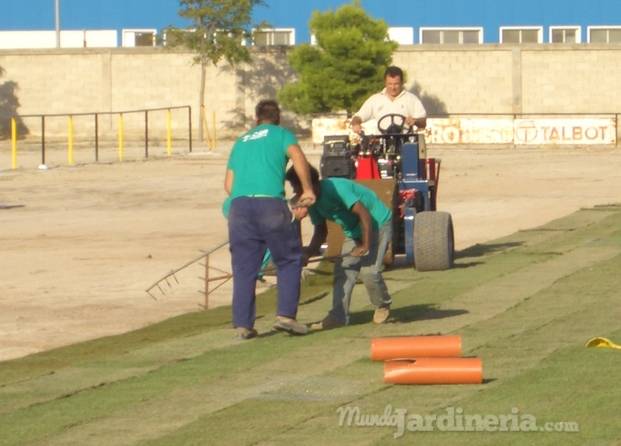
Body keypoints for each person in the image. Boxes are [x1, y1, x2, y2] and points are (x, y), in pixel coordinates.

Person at [224, 99, 316, 340]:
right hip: (270, 204)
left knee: (244, 268)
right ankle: (285, 316)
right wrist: (307, 189)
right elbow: (297, 156)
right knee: (288, 259)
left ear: (255, 120)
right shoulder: (282, 134)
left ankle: (243, 327)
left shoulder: (241, 141)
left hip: (239, 206)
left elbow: (228, 185)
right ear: (278, 119)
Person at [286, 165, 393, 329]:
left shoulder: (337, 188)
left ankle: (382, 305)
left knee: (369, 271)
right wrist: (308, 253)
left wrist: (364, 245)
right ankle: (338, 317)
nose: (295, 192)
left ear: (308, 183)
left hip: (377, 222)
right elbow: (321, 231)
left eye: (296, 187)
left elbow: (364, 213)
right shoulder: (312, 202)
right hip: (353, 230)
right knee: (343, 271)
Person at [350, 66, 427, 134]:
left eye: (396, 84)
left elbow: (423, 122)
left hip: (404, 142)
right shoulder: (375, 99)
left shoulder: (411, 99)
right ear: (385, 83)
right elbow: (358, 117)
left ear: (401, 83)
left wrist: (415, 121)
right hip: (382, 143)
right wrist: (356, 124)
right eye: (390, 84)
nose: (393, 87)